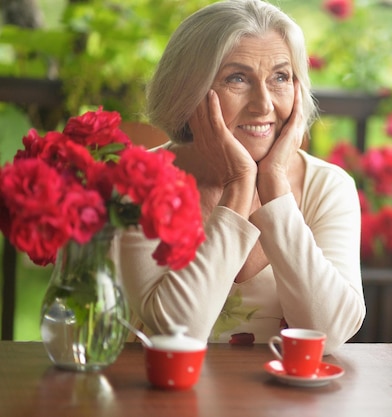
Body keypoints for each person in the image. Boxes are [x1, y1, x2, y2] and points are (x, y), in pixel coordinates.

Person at [115, 0, 365, 354]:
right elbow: (175, 335)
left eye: (280, 77)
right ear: (189, 93)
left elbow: (329, 333)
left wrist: (275, 186)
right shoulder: (141, 184)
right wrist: (239, 185)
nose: (263, 104)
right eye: (237, 78)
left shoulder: (327, 187)